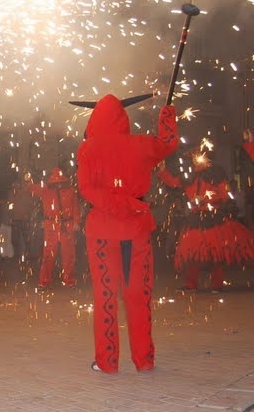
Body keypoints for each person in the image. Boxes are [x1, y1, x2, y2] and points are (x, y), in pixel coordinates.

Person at [74, 93, 178, 374]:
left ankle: (107, 363)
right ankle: (144, 359)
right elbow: (168, 144)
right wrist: (167, 116)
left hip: (102, 233)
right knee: (138, 297)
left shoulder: (87, 150)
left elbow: (87, 189)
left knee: (105, 297)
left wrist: (116, 205)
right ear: (123, 117)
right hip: (135, 230)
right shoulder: (141, 145)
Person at [157, 146, 254, 292]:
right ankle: (191, 284)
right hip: (195, 219)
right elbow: (174, 182)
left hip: (213, 218)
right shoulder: (189, 175)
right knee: (190, 253)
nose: (195, 159)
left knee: (214, 253)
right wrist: (162, 170)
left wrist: (205, 199)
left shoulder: (217, 173)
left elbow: (224, 194)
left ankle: (216, 284)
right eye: (194, 157)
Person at [27, 167, 81, 288]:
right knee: (49, 255)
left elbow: (75, 207)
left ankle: (68, 281)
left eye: (59, 182)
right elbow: (33, 189)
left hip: (65, 225)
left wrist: (76, 222)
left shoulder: (70, 191)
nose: (58, 185)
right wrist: (28, 181)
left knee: (68, 255)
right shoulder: (47, 190)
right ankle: (45, 281)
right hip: (52, 226)